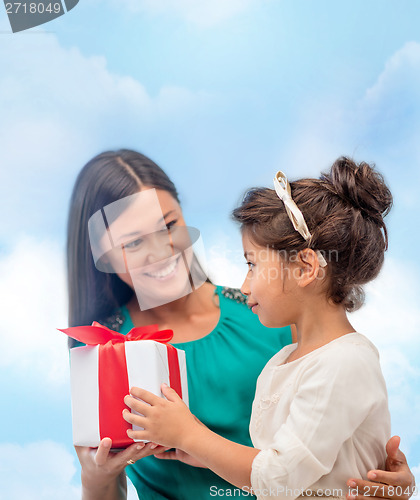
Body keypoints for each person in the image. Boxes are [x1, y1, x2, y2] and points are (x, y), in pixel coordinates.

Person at [67, 150, 415, 500]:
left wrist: (387, 477)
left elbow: (338, 430)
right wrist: (94, 479)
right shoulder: (106, 352)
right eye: (134, 242)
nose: (160, 250)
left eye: (169, 225)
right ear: (102, 251)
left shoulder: (272, 312)